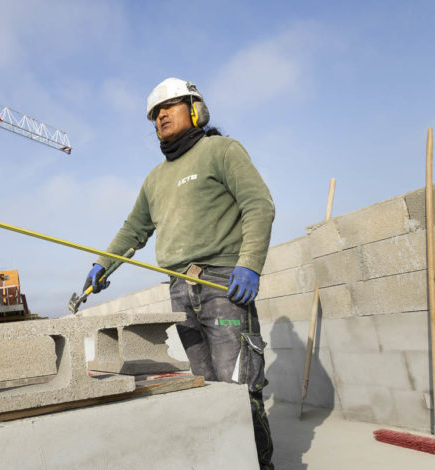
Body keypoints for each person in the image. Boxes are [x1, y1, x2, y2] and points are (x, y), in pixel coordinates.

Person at [82, 77, 275, 469]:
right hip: (180, 292)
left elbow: (259, 206)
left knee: (238, 387)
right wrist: (104, 262)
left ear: (195, 109)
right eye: (155, 114)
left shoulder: (220, 150)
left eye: (168, 108)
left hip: (223, 284)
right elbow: (133, 230)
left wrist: (249, 264)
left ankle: (260, 464)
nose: (160, 118)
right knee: (205, 387)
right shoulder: (155, 179)